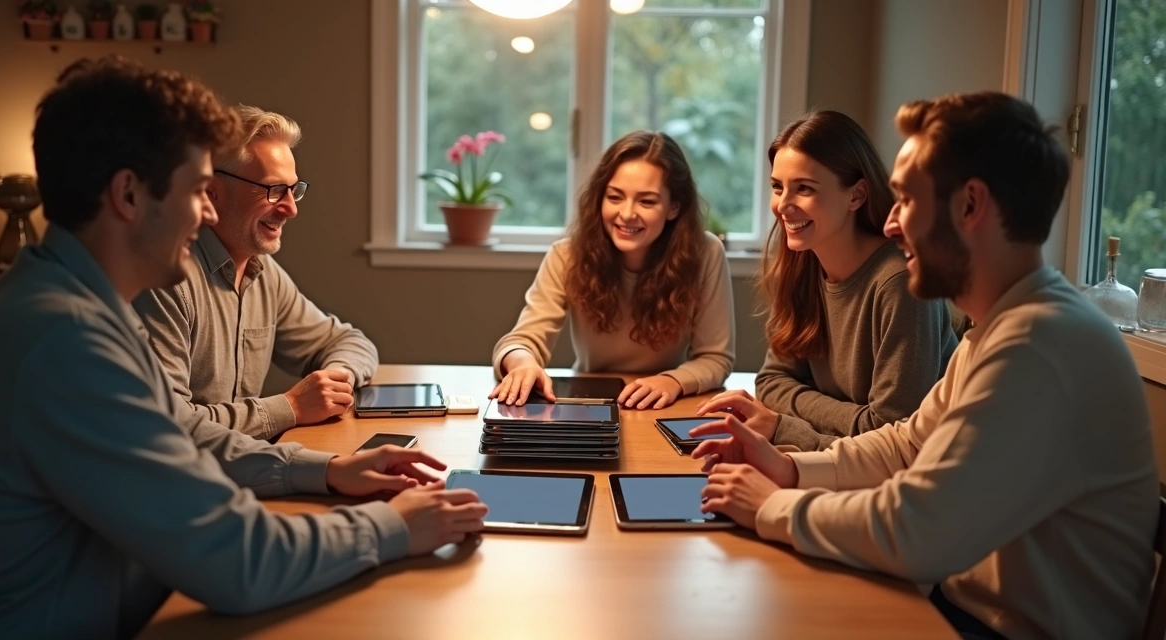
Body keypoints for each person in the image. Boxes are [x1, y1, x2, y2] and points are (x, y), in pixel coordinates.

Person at [0, 57, 487, 638]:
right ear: (128, 195)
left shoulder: (77, 302)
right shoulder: (65, 340)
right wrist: (392, 528)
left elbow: (188, 440)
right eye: (197, 189)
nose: (207, 213)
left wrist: (327, 470)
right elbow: (238, 559)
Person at [689, 92, 1158, 639]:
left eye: (906, 200)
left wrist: (774, 506)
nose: (889, 225)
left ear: (969, 206)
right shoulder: (998, 328)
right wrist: (789, 469)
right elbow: (906, 445)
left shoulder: (1040, 345)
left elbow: (918, 534)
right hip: (961, 609)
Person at [697, 110, 957, 451]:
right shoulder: (803, 262)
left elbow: (889, 432)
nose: (783, 206)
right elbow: (772, 381)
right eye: (778, 187)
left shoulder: (899, 282)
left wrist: (784, 425)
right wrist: (849, 418)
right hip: (842, 461)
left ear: (856, 195)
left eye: (804, 188)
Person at [133, 105, 378, 440]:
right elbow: (170, 425)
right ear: (212, 191)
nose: (291, 209)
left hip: (246, 468)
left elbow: (349, 341)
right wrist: (291, 406)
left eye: (294, 189)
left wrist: (336, 380)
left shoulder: (263, 272)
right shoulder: (165, 279)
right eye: (274, 190)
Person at [490, 131, 734, 410]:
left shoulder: (706, 253)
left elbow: (716, 357)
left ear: (674, 207)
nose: (627, 214)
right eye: (615, 197)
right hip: (590, 403)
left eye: (647, 201)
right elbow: (521, 340)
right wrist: (522, 363)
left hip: (663, 405)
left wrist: (673, 381)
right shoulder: (566, 254)